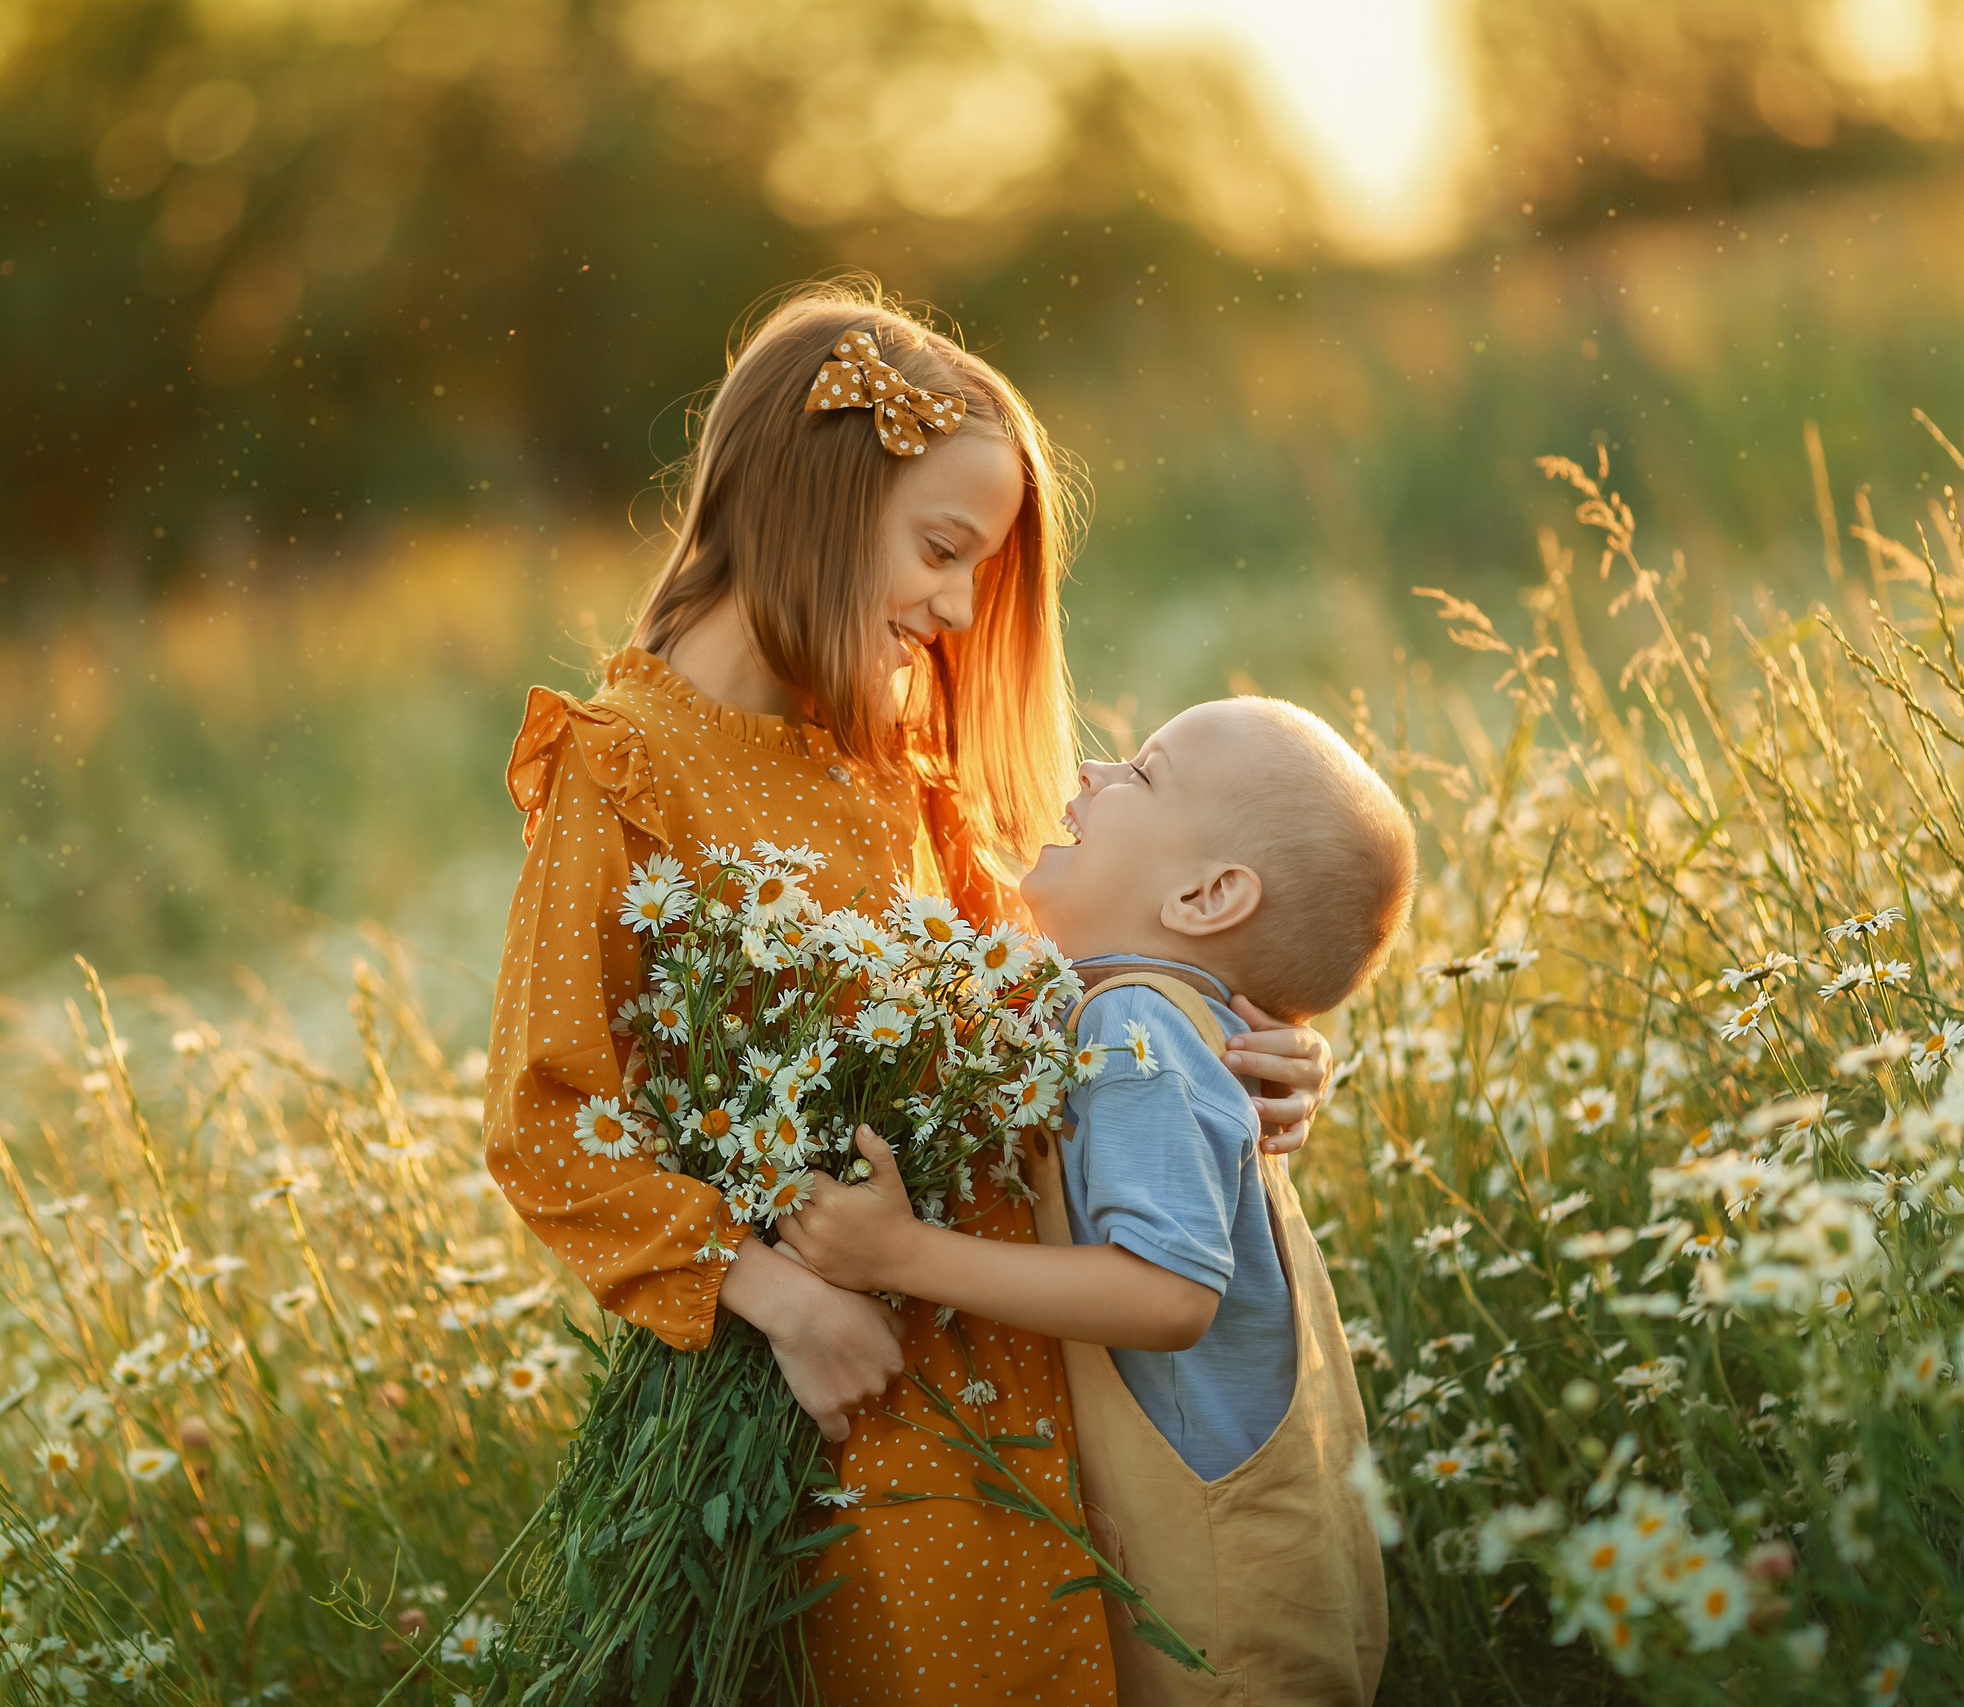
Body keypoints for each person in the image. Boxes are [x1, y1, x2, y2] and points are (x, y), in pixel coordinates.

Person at [483, 280, 1337, 1703]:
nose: (953, 609)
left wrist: (1236, 1039)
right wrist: (779, 1297)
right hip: (837, 1396)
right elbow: (550, 1117)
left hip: (1016, 1363)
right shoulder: (623, 763)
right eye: (942, 552)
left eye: (978, 577)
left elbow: (1038, 995)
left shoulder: (896, 747)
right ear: (812, 498)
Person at [778, 696, 1416, 1704]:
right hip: (1250, 1568)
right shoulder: (1159, 1019)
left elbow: (1168, 1295)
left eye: (1142, 774)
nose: (1088, 773)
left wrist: (898, 1256)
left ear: (1208, 897)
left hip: (1218, 1620)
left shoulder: (1137, 1031)